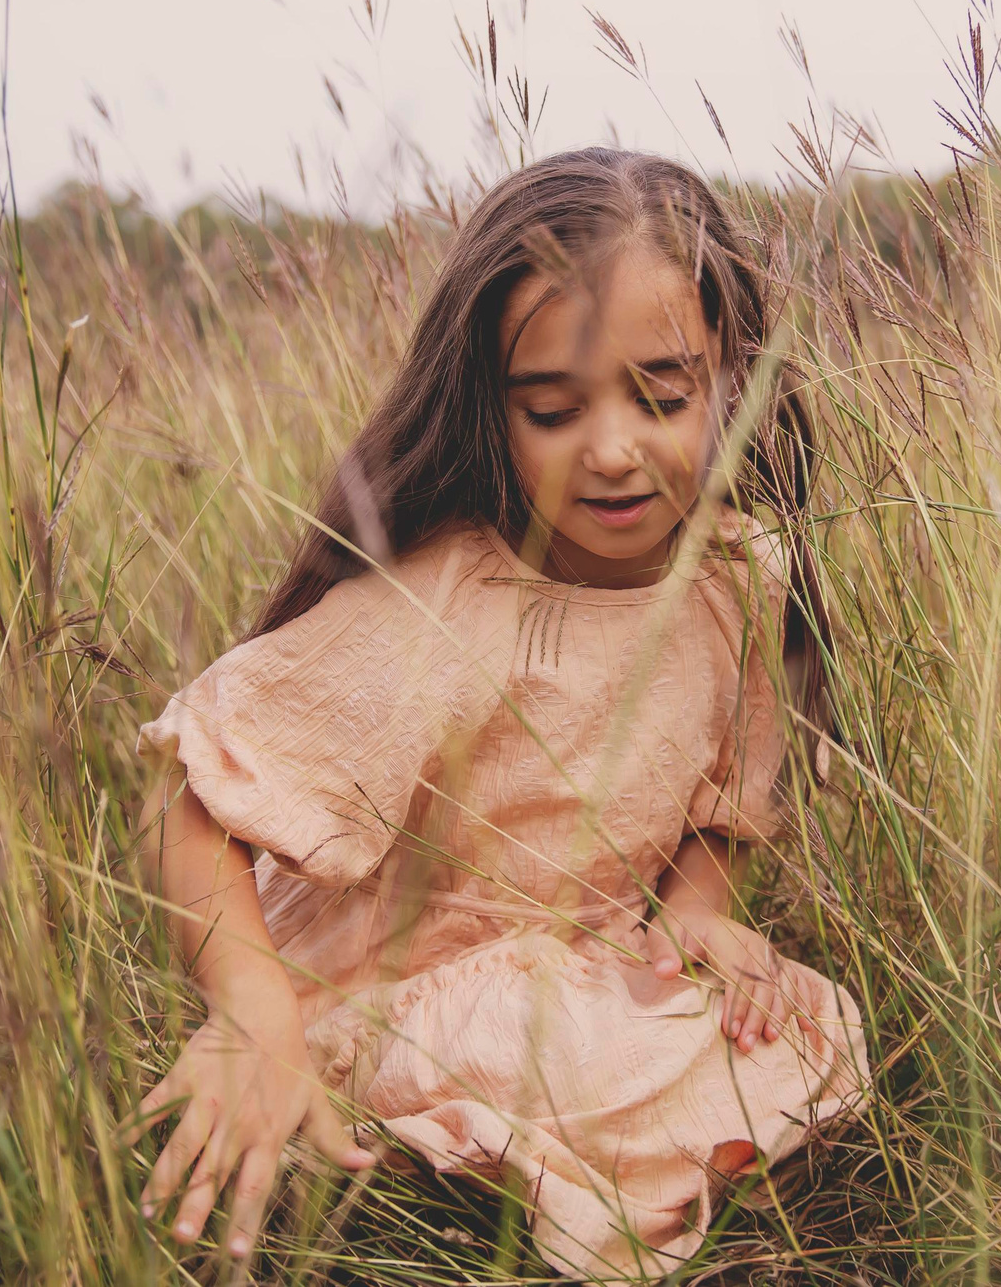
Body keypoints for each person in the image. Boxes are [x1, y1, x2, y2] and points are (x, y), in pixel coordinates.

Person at [131, 148, 870, 1279]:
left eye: (664, 395)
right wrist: (251, 1012)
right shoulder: (449, 601)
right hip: (406, 980)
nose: (612, 450)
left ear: (733, 374)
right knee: (571, 1058)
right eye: (554, 409)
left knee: (810, 1030)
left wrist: (696, 911)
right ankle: (521, 1165)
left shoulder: (736, 579)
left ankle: (595, 1157)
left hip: (587, 965)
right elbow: (185, 795)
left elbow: (723, 799)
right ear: (493, 408)